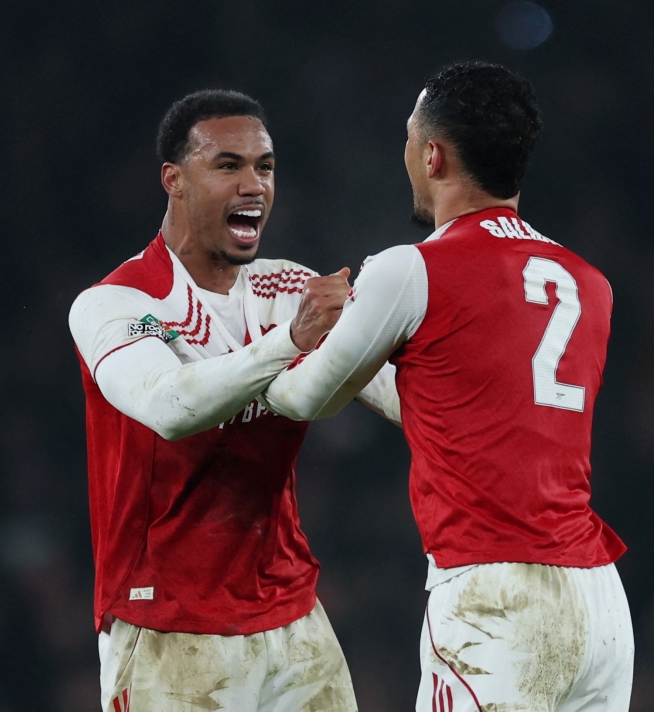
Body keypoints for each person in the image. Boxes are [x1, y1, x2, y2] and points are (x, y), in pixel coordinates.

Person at [261, 62, 635, 711]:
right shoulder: (588, 284)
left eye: (408, 136)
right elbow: (466, 414)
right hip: (598, 602)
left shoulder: (411, 270)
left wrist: (278, 339)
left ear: (432, 155)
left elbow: (304, 399)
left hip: (495, 598)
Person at [69, 89, 395, 712]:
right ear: (175, 180)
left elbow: (392, 392)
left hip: (293, 620)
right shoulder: (118, 303)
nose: (254, 185)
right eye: (228, 166)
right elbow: (170, 407)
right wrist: (291, 342)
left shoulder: (286, 287)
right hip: (168, 624)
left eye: (264, 167)